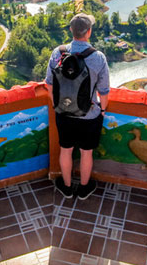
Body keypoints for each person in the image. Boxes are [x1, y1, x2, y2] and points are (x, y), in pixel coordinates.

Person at [45, 13, 110, 200]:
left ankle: (66, 187)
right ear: (89, 32)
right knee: (86, 152)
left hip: (63, 113)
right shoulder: (98, 57)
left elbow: (49, 85)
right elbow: (104, 91)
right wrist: (102, 110)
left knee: (65, 150)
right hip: (89, 115)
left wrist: (57, 105)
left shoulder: (58, 53)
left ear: (70, 30)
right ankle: (83, 188)